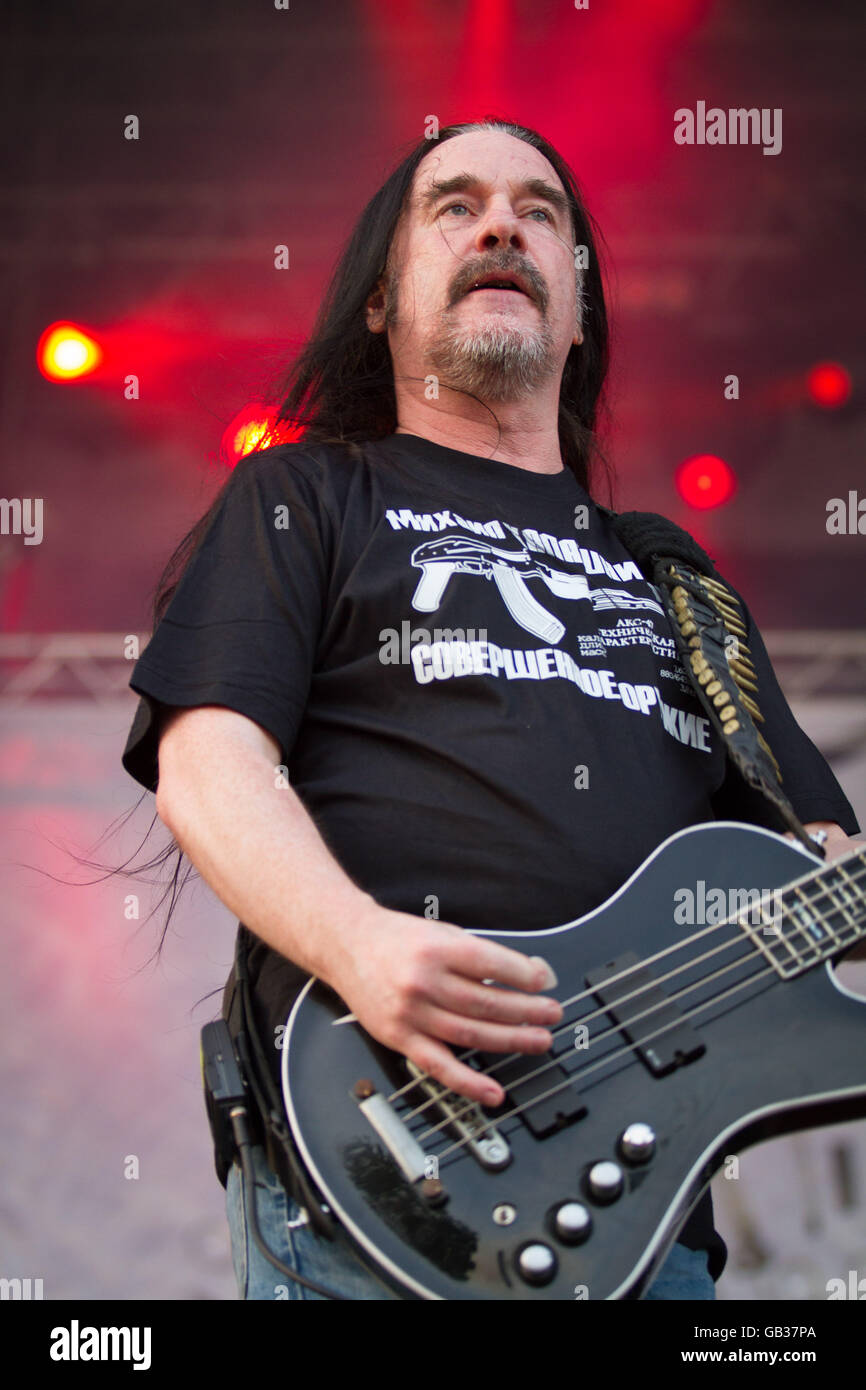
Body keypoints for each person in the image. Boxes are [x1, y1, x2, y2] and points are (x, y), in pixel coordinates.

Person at [120, 118, 861, 1300]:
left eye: (539, 210)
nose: (501, 224)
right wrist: (357, 944)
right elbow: (207, 756)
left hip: (642, 1226)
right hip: (382, 1181)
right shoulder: (308, 493)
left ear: (578, 313)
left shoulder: (672, 576)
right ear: (381, 302)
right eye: (452, 206)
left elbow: (821, 873)